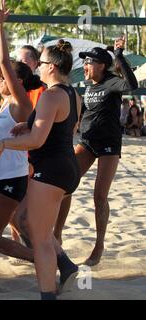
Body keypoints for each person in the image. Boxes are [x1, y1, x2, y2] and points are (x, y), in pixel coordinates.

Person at [0, 1, 82, 300]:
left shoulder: (50, 95)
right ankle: (65, 267)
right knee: (28, 221)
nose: (38, 67)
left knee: (41, 239)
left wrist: (7, 142)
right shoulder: (72, 94)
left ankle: (47, 295)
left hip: (52, 169)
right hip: (67, 166)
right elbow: (61, 130)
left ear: (51, 67)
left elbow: (39, 141)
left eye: (41, 63)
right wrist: (27, 127)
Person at [54, 37, 138, 266]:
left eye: (89, 62)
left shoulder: (112, 82)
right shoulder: (89, 85)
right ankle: (57, 235)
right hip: (88, 141)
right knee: (65, 185)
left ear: (101, 64)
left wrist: (119, 56)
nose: (86, 66)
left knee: (99, 197)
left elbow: (132, 86)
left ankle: (99, 245)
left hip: (109, 144)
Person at [0, 4, 39, 293]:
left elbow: (3, 61)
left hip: (12, 179)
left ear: (15, 82)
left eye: (4, 78)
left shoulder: (20, 104)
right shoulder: (3, 101)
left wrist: (2, 26)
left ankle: (43, 260)